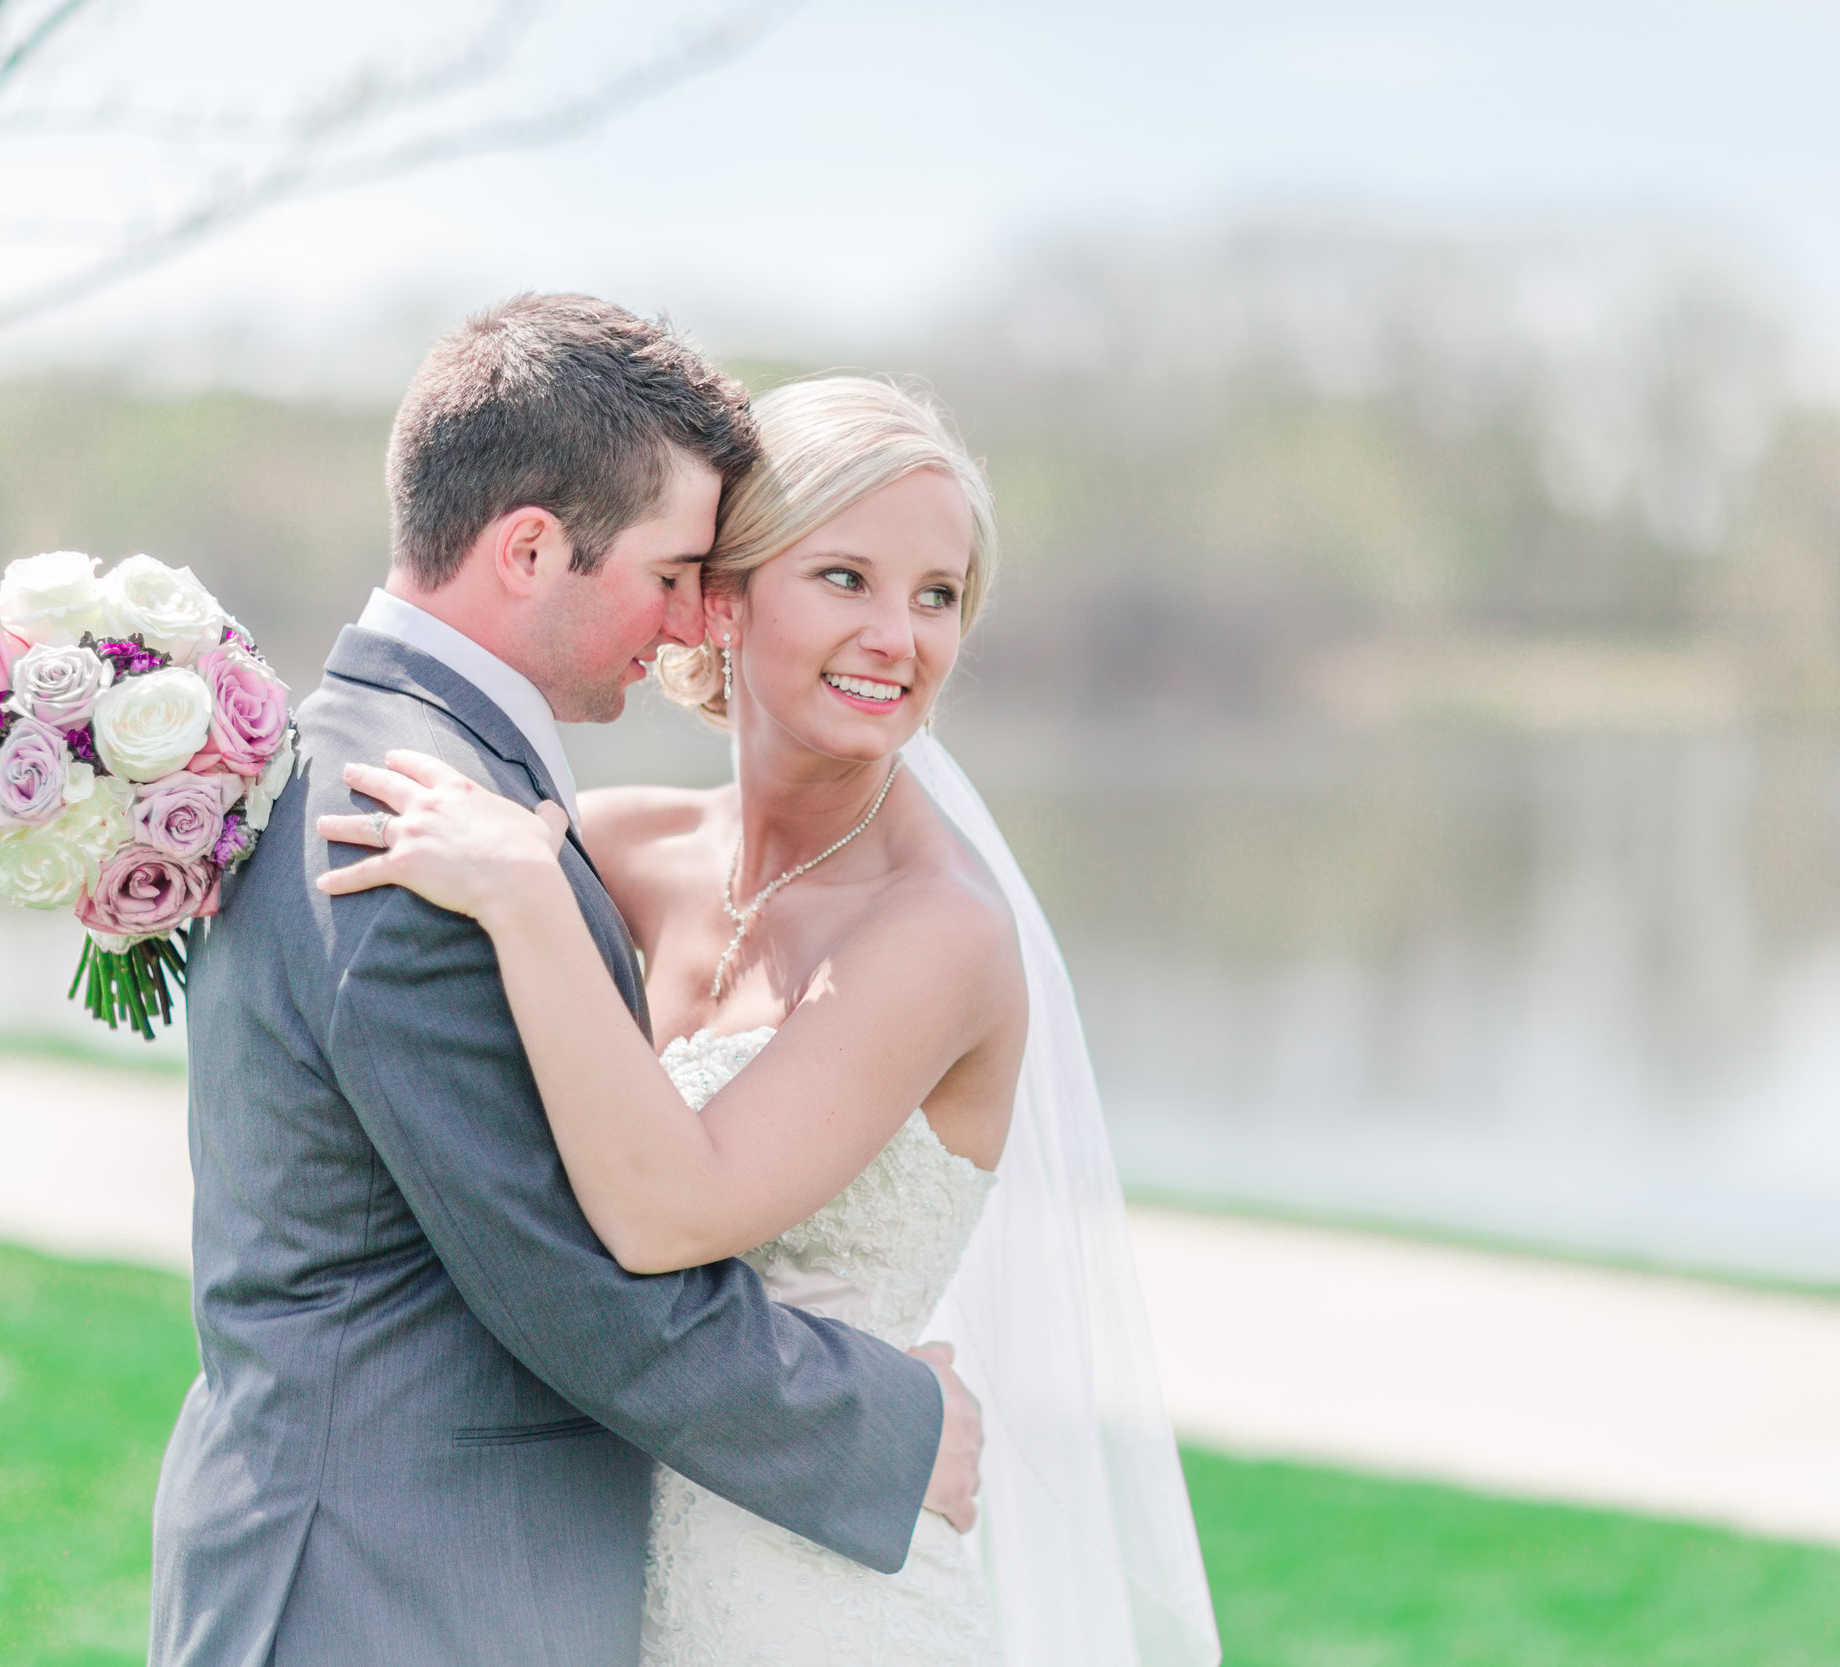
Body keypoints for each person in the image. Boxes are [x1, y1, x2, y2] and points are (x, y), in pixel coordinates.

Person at [319, 374, 1221, 1665]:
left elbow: (670, 1211)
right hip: (588, 1567)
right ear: (721, 597)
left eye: (939, 596)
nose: (899, 637)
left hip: (822, 1588)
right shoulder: (620, 846)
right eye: (844, 577)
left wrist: (521, 898)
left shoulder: (940, 929)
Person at [149, 297, 981, 1667]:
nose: (683, 623)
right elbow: (575, 1282)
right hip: (393, 1588)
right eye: (670, 572)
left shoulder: (397, 768)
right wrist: (892, 1427)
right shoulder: (412, 822)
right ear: (532, 546)